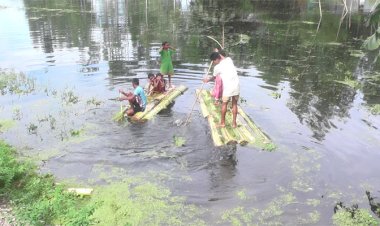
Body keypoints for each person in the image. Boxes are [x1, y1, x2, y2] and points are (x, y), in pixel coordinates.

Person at [204, 52, 240, 128]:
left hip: (228, 88)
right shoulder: (229, 60)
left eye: (213, 61)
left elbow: (214, 77)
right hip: (236, 85)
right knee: (234, 104)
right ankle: (234, 124)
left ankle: (222, 123)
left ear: (217, 59)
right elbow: (222, 56)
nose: (213, 63)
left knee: (224, 104)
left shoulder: (217, 67)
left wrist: (207, 80)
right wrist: (217, 52)